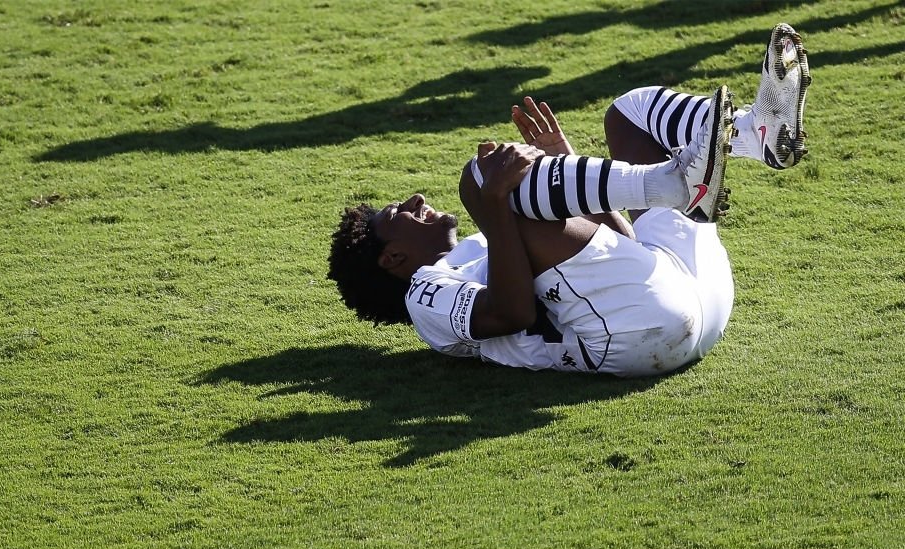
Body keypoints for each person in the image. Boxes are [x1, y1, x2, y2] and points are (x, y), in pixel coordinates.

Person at [328, 24, 811, 378]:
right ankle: (677, 183)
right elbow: (510, 314)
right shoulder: (423, 296)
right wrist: (493, 203)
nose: (414, 199)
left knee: (629, 113)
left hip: (677, 286)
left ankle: (755, 134)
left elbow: (623, 244)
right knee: (481, 178)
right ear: (393, 258)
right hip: (635, 329)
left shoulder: (482, 245)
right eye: (396, 214)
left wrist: (567, 163)